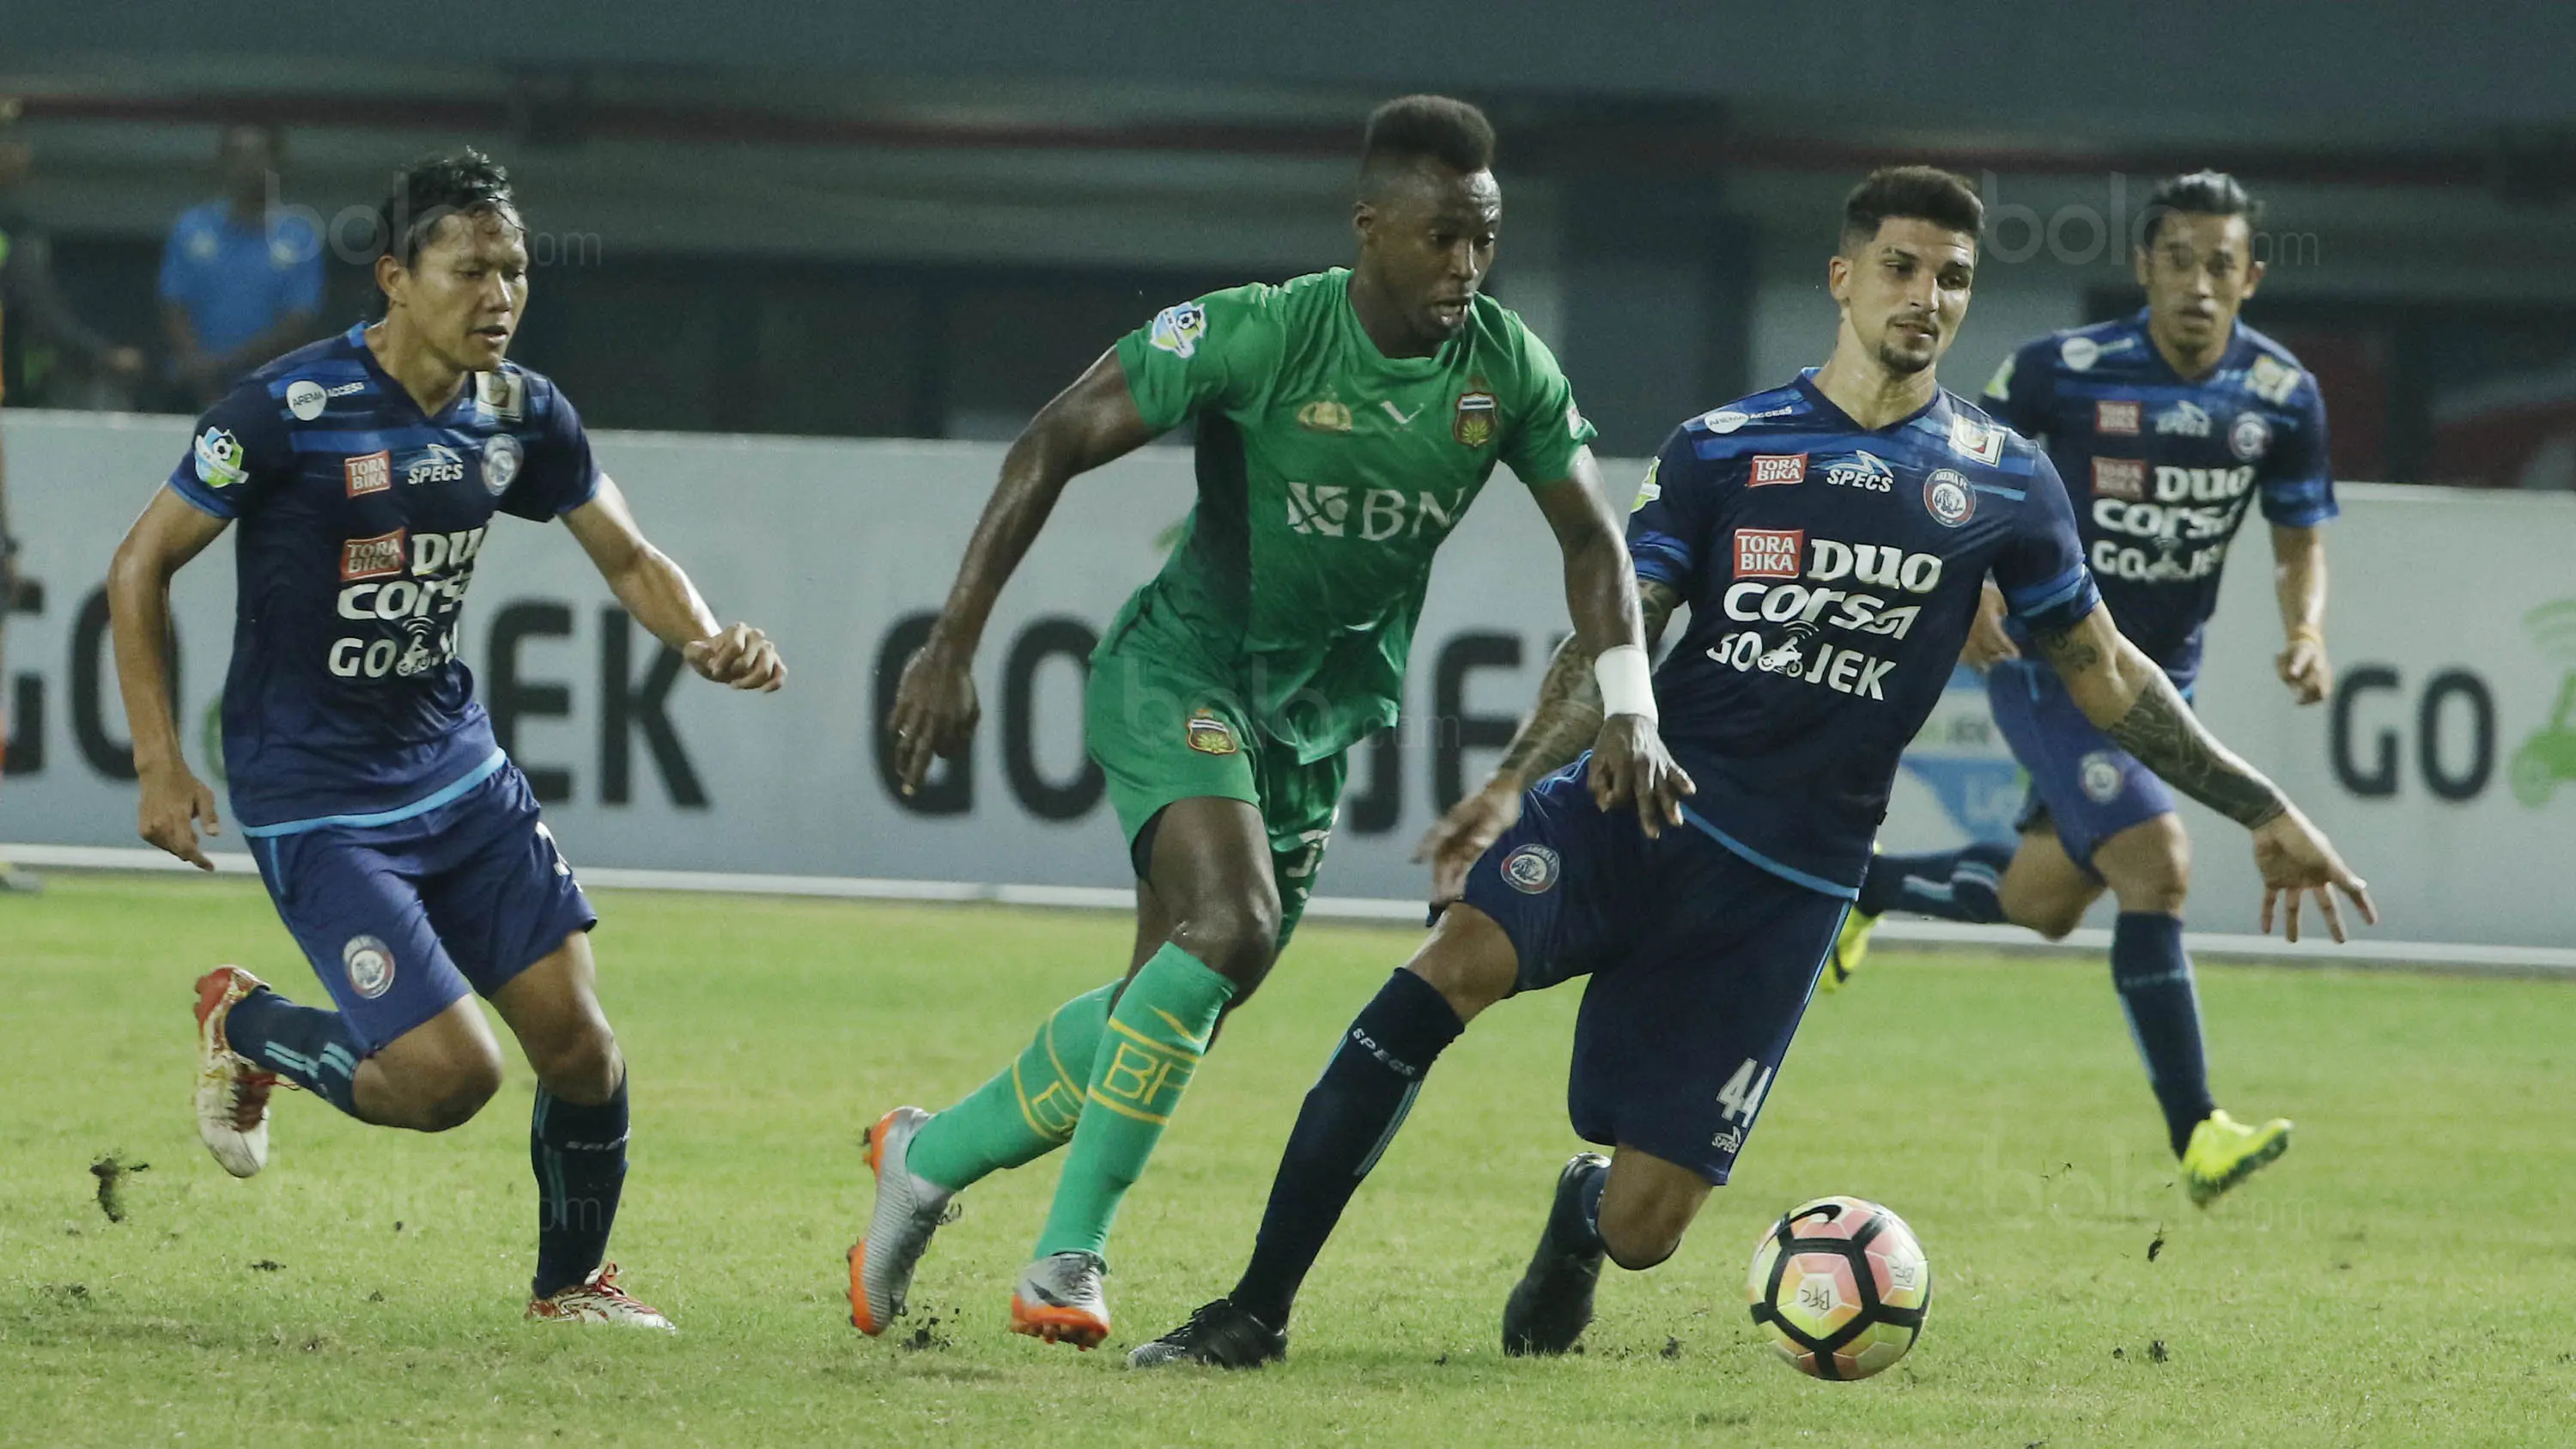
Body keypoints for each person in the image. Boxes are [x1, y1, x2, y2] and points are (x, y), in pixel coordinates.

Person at [1127, 166, 2375, 1368]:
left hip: (1787, 881)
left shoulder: (2004, 477)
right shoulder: (1725, 444)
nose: (1924, 295)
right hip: (1639, 809)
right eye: (1899, 266)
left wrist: (2262, 806)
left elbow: (2107, 673)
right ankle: (1252, 1309)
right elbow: (1620, 628)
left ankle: (1580, 1213)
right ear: (1844, 277)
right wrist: (1513, 781)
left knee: (1645, 1229)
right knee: (1436, 975)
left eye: (1950, 276)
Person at [850, 94, 1690, 1350]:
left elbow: (1593, 538)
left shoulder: (1504, 367)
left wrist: (1630, 700)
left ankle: (924, 1158)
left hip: (1310, 728)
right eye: (1441, 236)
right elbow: (1053, 439)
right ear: (1370, 227)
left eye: (1485, 240)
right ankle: (1067, 1260)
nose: (1465, 266)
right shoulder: (1259, 332)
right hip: (1181, 667)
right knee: (1230, 924)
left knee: (1166, 1002)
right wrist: (952, 640)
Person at [108, 149, 785, 1328]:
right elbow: (140, 563)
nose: (501, 295)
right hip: (312, 787)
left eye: (515, 270)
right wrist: (159, 755)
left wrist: (706, 637)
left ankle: (571, 1284)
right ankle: (249, 1021)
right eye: (472, 269)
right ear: (395, 278)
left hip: (457, 769)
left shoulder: (521, 411)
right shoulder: (286, 410)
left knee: (581, 1044)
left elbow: (625, 551)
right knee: (446, 1079)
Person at [1832, 172, 2333, 1205]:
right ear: (2146, 265)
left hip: (2161, 682)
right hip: (2051, 658)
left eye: (2222, 264)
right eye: (2180, 260)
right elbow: (1959, 452)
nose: (2200, 283)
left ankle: (1861, 885)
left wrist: (2306, 626)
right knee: (2160, 866)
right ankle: (2199, 1134)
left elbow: (2297, 533)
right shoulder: (2064, 370)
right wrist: (1966, 578)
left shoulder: (2282, 396)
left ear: (2252, 276)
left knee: (2047, 899)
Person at [160, 124, 324, 408]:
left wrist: (219, 367)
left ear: (277, 163)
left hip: (267, 394)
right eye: (237, 156)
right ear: (222, 163)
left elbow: (296, 324)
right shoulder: (192, 227)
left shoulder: (299, 235)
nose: (248, 166)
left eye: (258, 156)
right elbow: (174, 305)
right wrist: (201, 376)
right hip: (191, 391)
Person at [0, 103, 149, 408]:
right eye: (12, 142)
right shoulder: (13, 233)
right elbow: (41, 313)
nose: (24, 153)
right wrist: (105, 356)